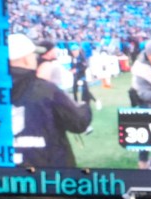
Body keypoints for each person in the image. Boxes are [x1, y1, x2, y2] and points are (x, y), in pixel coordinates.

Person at [9, 32, 93, 171]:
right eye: (33, 55)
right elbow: (78, 123)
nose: (36, 58)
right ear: (25, 59)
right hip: (49, 173)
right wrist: (85, 105)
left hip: (3, 178)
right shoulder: (45, 90)